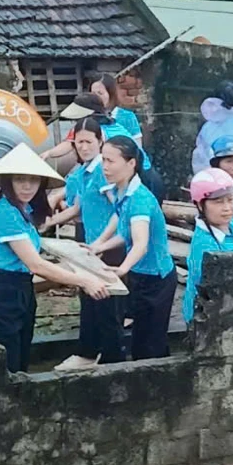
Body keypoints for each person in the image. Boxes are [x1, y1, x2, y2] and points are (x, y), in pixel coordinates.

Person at [0, 145, 116, 373]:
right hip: (2, 293)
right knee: (5, 368)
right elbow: (35, 264)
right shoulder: (4, 212)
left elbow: (35, 248)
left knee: (21, 362)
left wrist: (76, 250)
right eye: (20, 179)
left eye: (33, 180)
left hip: (22, 290)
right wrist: (83, 280)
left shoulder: (23, 211)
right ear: (8, 181)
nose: (27, 186)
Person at [76, 133, 174, 365]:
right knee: (141, 339)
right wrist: (98, 245)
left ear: (131, 163)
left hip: (156, 279)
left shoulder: (139, 199)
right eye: (103, 160)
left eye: (110, 161)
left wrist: (122, 269)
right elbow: (123, 230)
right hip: (141, 275)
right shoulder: (122, 190)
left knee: (151, 344)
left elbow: (140, 242)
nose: (105, 167)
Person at [181, 169, 233, 328]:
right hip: (207, 317)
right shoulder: (204, 244)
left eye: (231, 199)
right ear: (200, 205)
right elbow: (215, 283)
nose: (227, 207)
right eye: (218, 202)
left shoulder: (229, 228)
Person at [49, 116, 110, 238]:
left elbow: (118, 208)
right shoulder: (83, 171)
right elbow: (77, 206)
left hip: (105, 236)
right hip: (89, 233)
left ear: (100, 142)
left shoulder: (104, 170)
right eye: (80, 142)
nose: (84, 148)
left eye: (89, 142)